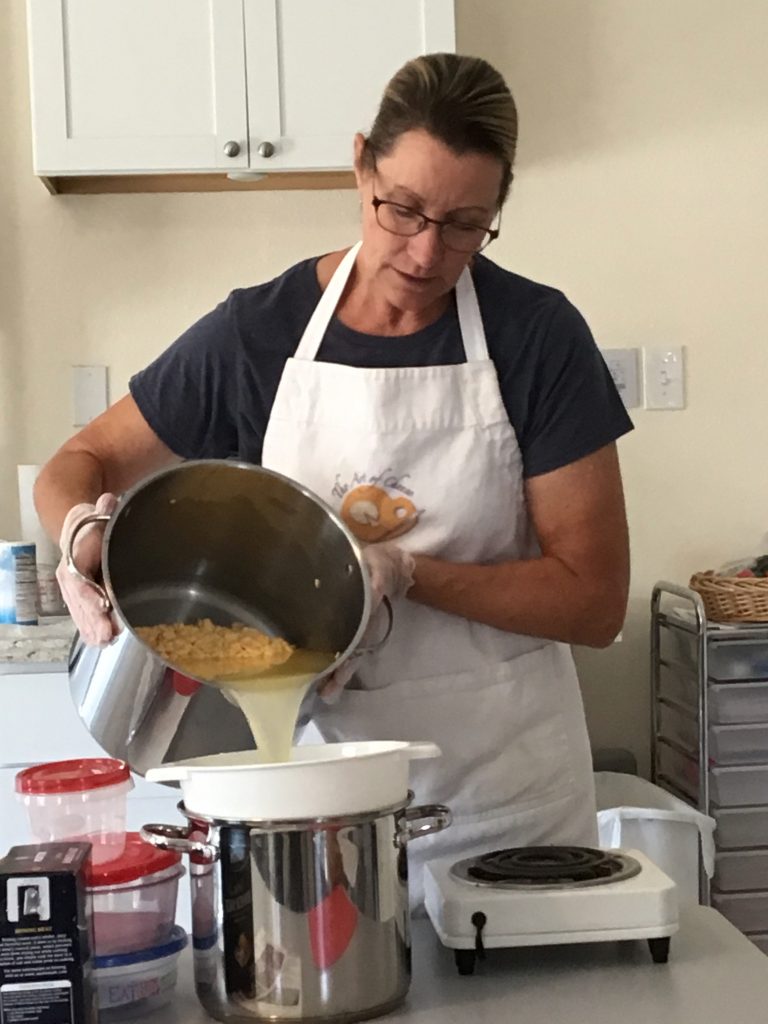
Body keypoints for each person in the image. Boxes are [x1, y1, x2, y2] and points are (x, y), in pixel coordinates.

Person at [35, 53, 632, 904]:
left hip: (509, 809)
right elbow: (75, 465)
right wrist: (81, 535)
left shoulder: (536, 337)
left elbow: (595, 601)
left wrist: (408, 573)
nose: (427, 253)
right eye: (403, 210)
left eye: (465, 224)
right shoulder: (260, 333)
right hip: (317, 807)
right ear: (361, 166)